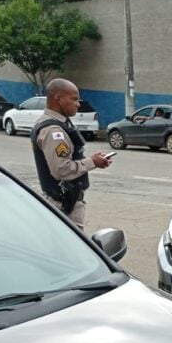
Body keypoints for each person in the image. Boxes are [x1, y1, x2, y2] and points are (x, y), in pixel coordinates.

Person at [31, 78, 111, 229]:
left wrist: (93, 160)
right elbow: (61, 169)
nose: (78, 104)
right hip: (63, 205)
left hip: (68, 201)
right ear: (58, 99)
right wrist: (92, 162)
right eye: (74, 99)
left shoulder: (60, 123)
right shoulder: (53, 131)